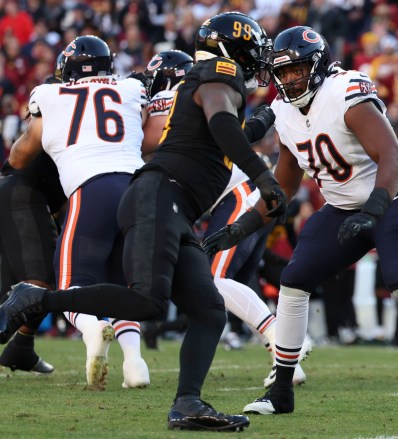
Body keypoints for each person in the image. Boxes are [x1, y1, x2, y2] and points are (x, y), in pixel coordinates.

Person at [203, 26, 398, 415]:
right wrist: (241, 228)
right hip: (342, 205)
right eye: (282, 73)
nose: (288, 80)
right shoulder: (284, 112)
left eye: (296, 70)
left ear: (316, 65)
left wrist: (375, 209)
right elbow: (282, 187)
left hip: (395, 192)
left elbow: (393, 156)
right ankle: (281, 390)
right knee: (293, 280)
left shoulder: (344, 93)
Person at [0, 12, 283, 432]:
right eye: (251, 49)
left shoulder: (211, 84)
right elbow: (223, 122)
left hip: (171, 204)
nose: (256, 58)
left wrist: (265, 119)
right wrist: (263, 176)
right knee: (149, 301)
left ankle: (187, 403)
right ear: (231, 49)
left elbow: (224, 128)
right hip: (158, 195)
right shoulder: (219, 73)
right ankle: (37, 300)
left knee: (208, 310)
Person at [140, 49, 311, 387]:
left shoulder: (173, 97)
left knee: (214, 279)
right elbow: (233, 133)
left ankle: (285, 345)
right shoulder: (208, 91)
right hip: (248, 190)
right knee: (234, 284)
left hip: (240, 192)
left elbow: (152, 142)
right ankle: (287, 361)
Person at [6, 35, 152, 391]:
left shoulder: (51, 96)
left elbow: (18, 157)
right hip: (138, 189)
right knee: (122, 283)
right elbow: (146, 134)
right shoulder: (131, 89)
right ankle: (135, 364)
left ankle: (90, 329)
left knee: (68, 283)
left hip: (92, 190)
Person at [0, 152, 64, 375]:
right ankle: (20, 346)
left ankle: (21, 348)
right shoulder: (51, 119)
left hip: (16, 191)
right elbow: (21, 150)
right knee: (39, 285)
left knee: (9, 293)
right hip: (24, 194)